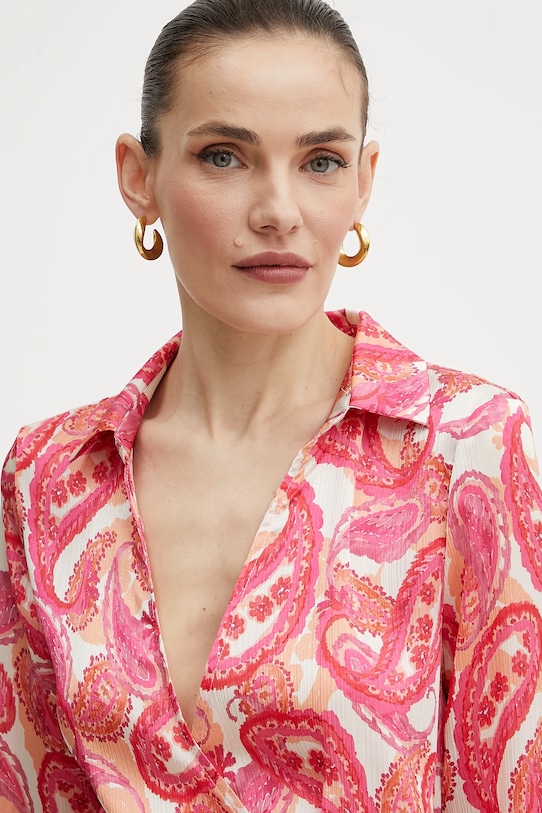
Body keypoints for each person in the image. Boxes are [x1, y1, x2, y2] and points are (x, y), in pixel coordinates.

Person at [1, 0, 541, 810]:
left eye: (321, 161)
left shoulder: (469, 448)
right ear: (138, 177)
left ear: (363, 182)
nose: (279, 211)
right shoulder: (48, 475)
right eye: (224, 156)